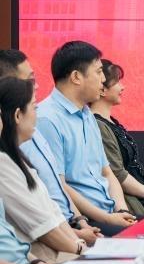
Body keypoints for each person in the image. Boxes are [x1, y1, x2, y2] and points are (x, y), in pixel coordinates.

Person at [35, 41, 136, 237]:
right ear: (76, 77)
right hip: (85, 220)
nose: (103, 79)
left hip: (109, 212)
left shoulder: (87, 114)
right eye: (98, 72)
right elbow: (59, 185)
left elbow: (107, 172)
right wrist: (108, 219)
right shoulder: (47, 119)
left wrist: (122, 210)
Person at [0, 50, 101, 245]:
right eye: (30, 80)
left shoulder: (32, 132)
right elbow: (40, 225)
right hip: (54, 237)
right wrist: (78, 244)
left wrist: (80, 223)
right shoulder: (10, 154)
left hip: (69, 226)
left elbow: (53, 196)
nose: (36, 86)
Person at [0, 78, 88, 263]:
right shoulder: (3, 164)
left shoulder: (18, 159)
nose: (37, 115)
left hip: (57, 249)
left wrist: (78, 243)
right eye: (34, 107)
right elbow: (42, 228)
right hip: (44, 255)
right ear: (18, 115)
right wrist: (79, 249)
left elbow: (53, 212)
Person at [91, 60, 144, 217]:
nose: (123, 87)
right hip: (131, 200)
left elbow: (134, 165)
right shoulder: (98, 125)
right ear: (102, 90)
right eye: (117, 82)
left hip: (141, 193)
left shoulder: (111, 122)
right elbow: (117, 173)